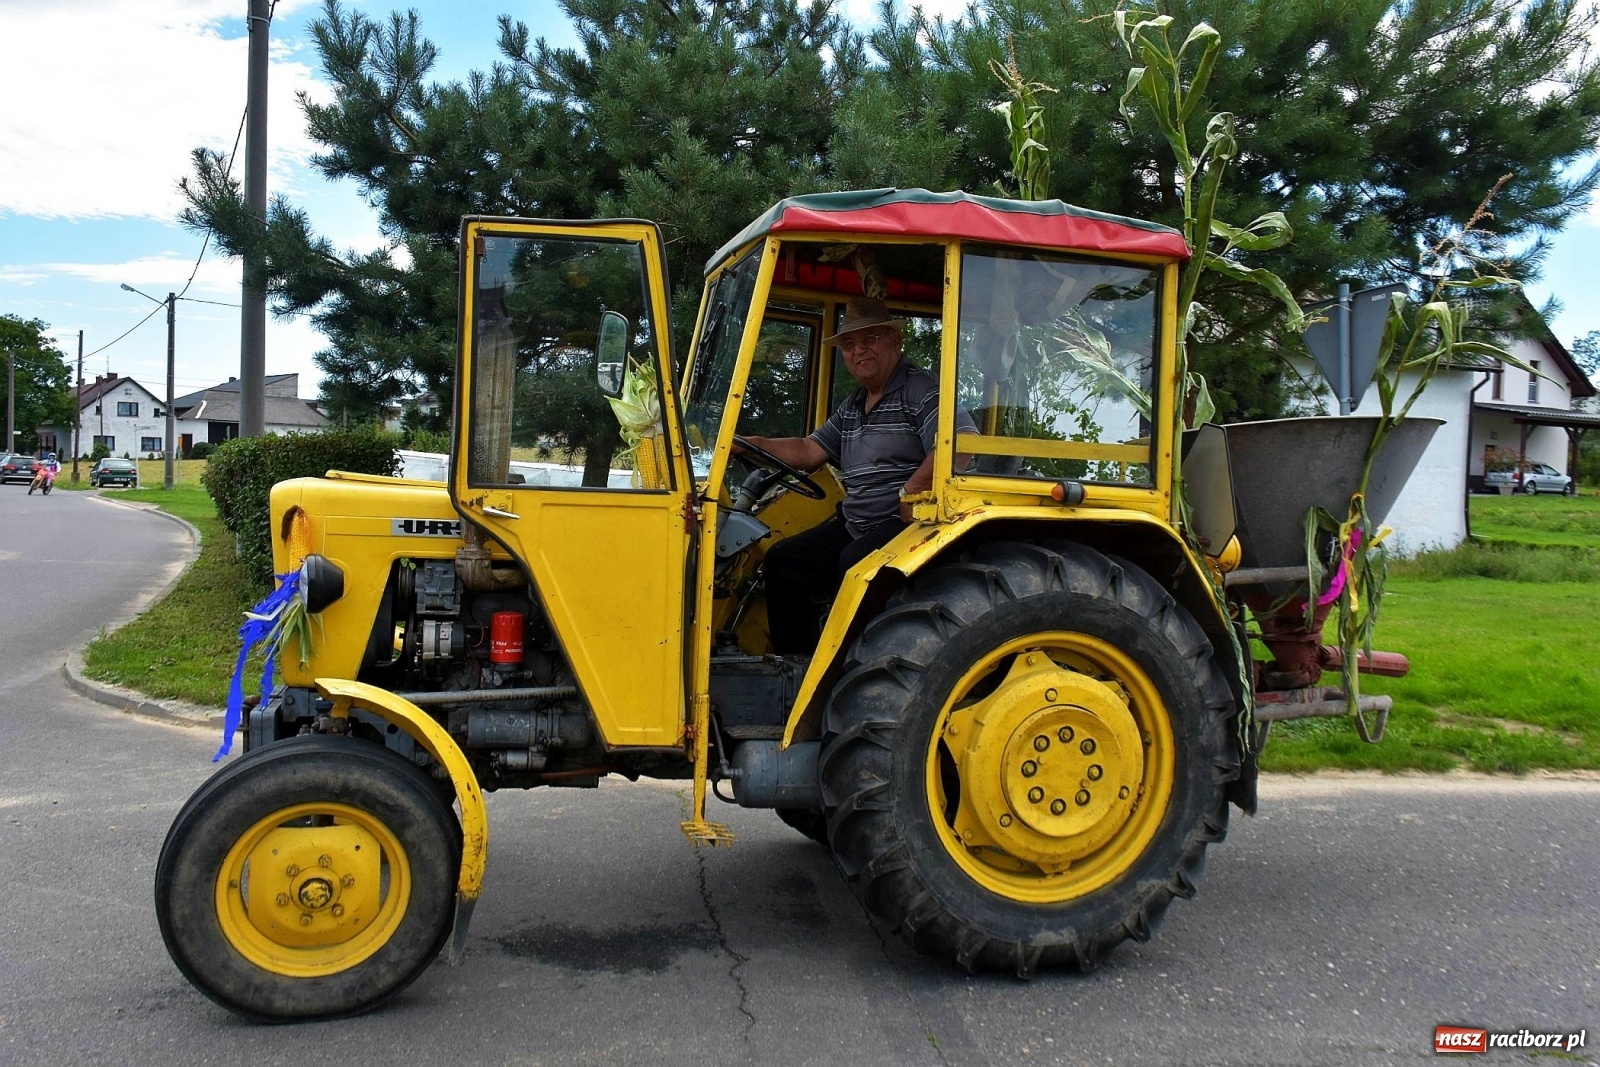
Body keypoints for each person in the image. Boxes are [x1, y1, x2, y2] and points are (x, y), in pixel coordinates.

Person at [738, 297, 974, 654]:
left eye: (870, 339)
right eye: (849, 344)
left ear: (895, 341)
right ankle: (796, 666)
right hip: (857, 522)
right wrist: (749, 444)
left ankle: (855, 664)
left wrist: (912, 491)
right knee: (784, 560)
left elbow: (962, 442)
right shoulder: (854, 405)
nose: (858, 351)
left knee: (854, 563)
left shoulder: (920, 390)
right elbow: (808, 450)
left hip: (907, 524)